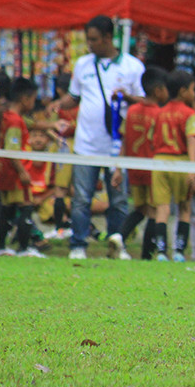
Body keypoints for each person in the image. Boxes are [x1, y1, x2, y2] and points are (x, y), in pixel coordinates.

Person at [50, 15, 145, 260]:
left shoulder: (133, 67)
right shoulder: (82, 64)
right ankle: (78, 245)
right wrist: (58, 105)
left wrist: (127, 97)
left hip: (117, 146)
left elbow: (145, 101)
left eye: (94, 39)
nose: (90, 44)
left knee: (119, 200)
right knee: (81, 198)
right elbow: (75, 96)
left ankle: (117, 243)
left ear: (107, 38)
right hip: (85, 144)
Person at [111, 67, 169, 260]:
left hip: (134, 168)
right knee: (153, 211)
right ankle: (146, 255)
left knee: (140, 209)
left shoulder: (132, 111)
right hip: (153, 168)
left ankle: (120, 235)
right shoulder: (160, 114)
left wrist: (118, 168)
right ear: (158, 90)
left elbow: (124, 141)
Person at [150, 71, 195, 262]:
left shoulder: (158, 112)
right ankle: (179, 252)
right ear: (183, 91)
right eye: (192, 89)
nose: (194, 93)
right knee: (185, 208)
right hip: (180, 162)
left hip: (159, 162)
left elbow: (151, 140)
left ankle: (162, 252)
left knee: (162, 209)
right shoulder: (190, 114)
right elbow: (192, 142)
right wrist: (192, 169)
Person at [0, 77, 45, 258]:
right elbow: (12, 149)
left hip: (5, 172)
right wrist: (22, 171)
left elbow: (31, 124)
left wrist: (51, 126)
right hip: (15, 172)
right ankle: (24, 248)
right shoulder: (15, 122)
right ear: (25, 99)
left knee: (7, 208)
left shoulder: (8, 116)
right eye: (32, 99)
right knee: (26, 207)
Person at [45, 73, 78, 240]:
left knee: (60, 188)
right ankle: (71, 227)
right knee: (76, 189)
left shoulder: (56, 107)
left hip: (63, 146)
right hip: (78, 145)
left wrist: (56, 139)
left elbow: (49, 126)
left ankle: (60, 227)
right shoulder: (81, 105)